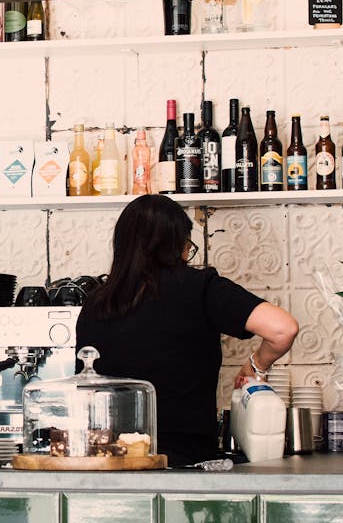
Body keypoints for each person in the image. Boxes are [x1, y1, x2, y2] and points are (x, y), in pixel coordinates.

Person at [75, 194, 298, 467]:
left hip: (109, 464)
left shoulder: (96, 303)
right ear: (177, 243)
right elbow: (283, 329)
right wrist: (256, 364)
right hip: (185, 464)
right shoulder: (200, 287)